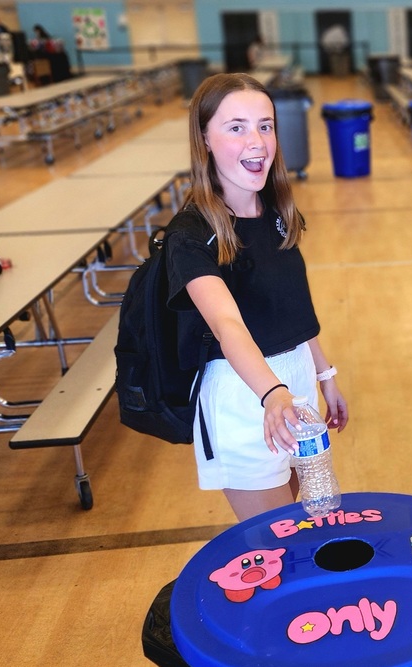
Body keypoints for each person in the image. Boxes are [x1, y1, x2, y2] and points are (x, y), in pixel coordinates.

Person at [163, 73, 349, 522]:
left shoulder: (279, 211)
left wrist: (323, 373)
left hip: (292, 385)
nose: (257, 141)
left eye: (265, 125)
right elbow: (228, 326)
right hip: (245, 393)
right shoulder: (190, 235)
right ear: (204, 137)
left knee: (306, 528)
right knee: (278, 546)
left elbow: (292, 305)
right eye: (236, 127)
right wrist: (273, 395)